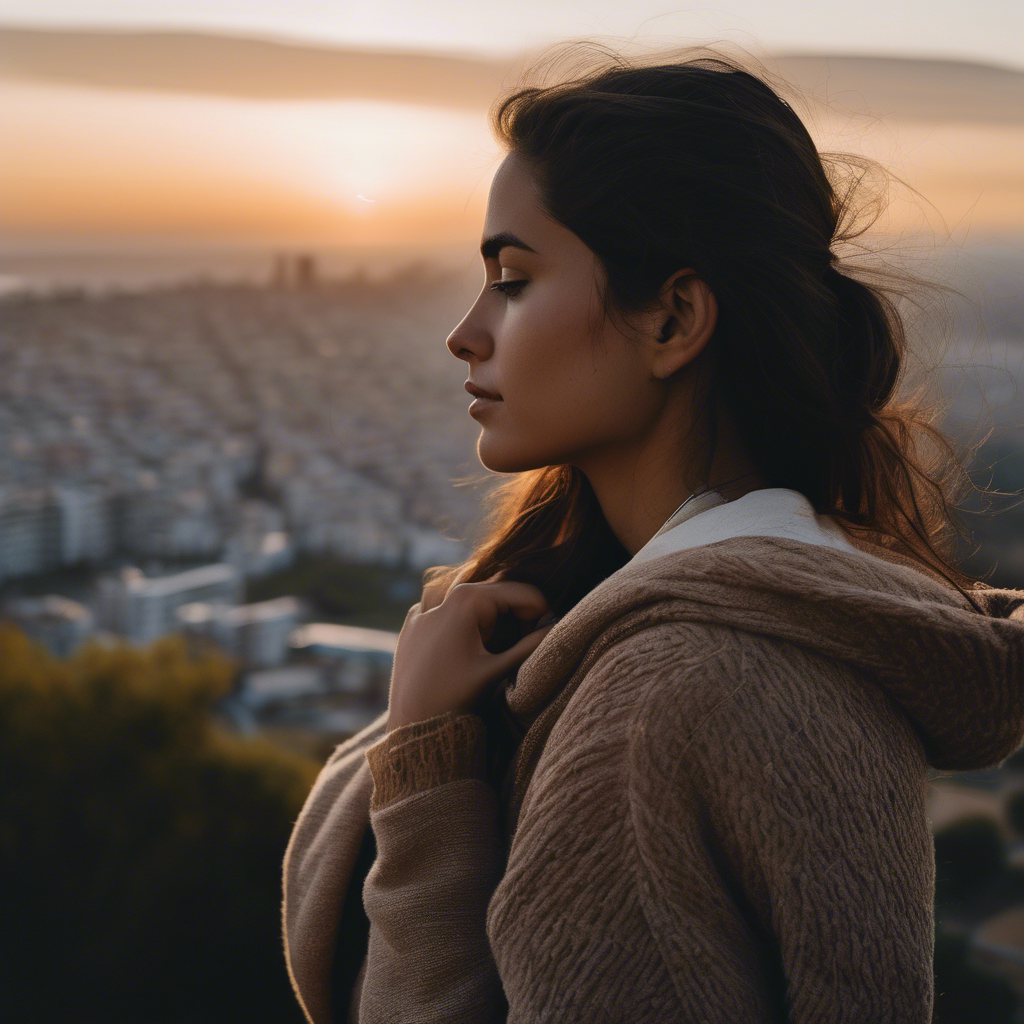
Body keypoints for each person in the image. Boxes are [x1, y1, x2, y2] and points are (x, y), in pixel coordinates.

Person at [282, 45, 1024, 1023]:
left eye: (511, 277)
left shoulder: (663, 693)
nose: (464, 331)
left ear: (673, 318)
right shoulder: (781, 623)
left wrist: (427, 765)